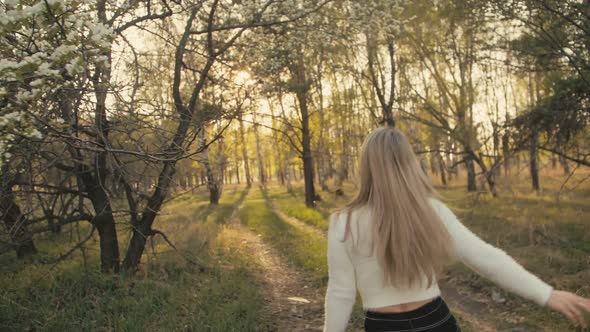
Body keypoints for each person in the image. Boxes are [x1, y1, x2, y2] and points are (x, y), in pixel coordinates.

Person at [323, 127, 590, 332]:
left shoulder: (343, 222)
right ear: (408, 163)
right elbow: (486, 257)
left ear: (366, 167)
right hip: (435, 321)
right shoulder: (432, 210)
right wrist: (547, 294)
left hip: (383, 325)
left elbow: (340, 292)